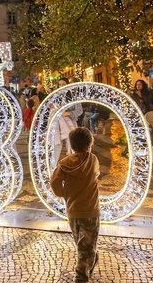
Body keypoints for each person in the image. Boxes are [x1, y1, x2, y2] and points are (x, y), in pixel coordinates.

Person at [50, 127, 100, 283]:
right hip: (91, 212)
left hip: (73, 212)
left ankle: (91, 259)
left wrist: (64, 193)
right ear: (89, 144)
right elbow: (96, 174)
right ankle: (81, 276)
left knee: (82, 244)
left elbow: (55, 183)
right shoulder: (93, 160)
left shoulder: (64, 163)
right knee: (85, 248)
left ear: (71, 145)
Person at [53, 77, 83, 168]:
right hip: (58, 125)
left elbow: (80, 110)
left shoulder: (73, 97)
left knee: (72, 145)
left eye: (63, 84)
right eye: (60, 84)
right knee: (57, 145)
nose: (61, 86)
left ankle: (75, 167)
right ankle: (52, 167)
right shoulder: (55, 97)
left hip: (70, 125)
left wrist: (69, 113)